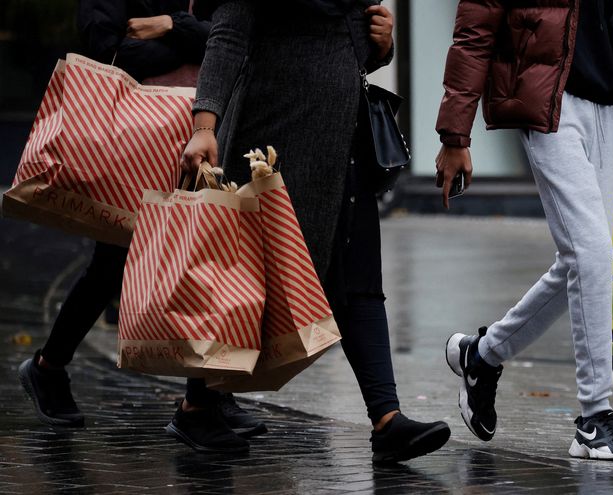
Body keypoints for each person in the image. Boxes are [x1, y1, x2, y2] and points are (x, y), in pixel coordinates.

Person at [179, 0, 451, 462]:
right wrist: (206, 123)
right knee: (248, 277)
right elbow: (229, 32)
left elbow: (351, 35)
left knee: (359, 272)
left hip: (342, 134)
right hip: (276, 136)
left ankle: (386, 418)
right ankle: (197, 403)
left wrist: (380, 45)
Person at [18, 0, 266, 447]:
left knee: (208, 257)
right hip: (138, 144)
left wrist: (172, 26)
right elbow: (116, 52)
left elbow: (229, 38)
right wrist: (194, 43)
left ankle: (210, 393)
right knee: (111, 264)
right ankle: (47, 368)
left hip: (204, 134)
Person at [436, 0, 613, 462]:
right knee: (591, 254)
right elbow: (474, 31)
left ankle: (481, 355)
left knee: (585, 260)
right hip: (546, 104)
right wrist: (453, 136)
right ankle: (594, 417)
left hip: (605, 107)